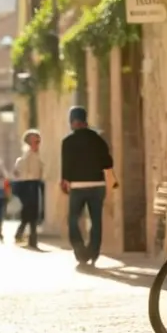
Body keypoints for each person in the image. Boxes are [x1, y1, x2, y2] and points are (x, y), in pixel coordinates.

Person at [60, 106, 118, 268]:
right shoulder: (97, 139)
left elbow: (66, 167)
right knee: (96, 220)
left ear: (72, 121)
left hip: (77, 186)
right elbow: (108, 162)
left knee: (73, 220)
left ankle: (80, 251)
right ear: (85, 120)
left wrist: (64, 181)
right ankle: (93, 252)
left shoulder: (67, 142)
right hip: (97, 185)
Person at [13, 129, 45, 249]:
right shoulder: (27, 155)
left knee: (31, 213)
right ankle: (29, 237)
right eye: (34, 140)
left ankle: (28, 237)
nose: (37, 142)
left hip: (35, 184)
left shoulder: (37, 155)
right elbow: (20, 171)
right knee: (30, 212)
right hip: (28, 185)